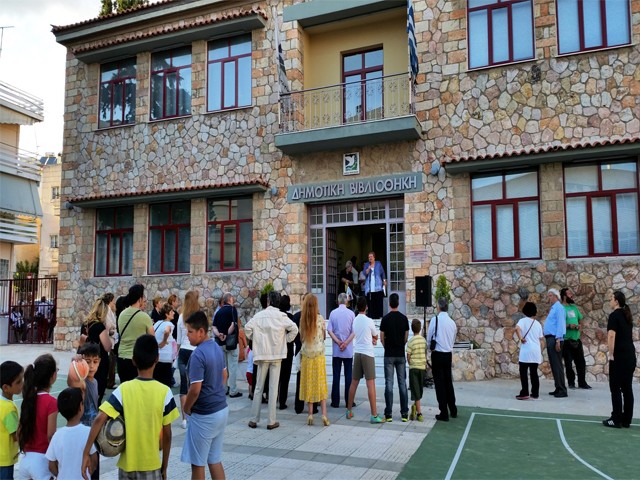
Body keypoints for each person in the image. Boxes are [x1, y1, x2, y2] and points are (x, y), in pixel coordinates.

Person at [81, 335, 180, 480]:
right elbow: (167, 435)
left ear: (133, 360)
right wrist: (164, 466)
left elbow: (99, 418)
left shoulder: (123, 389)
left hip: (126, 467)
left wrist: (86, 453)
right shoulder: (165, 392)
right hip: (151, 466)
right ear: (157, 359)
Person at [181, 310, 229, 479]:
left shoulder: (198, 354)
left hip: (205, 415)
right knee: (214, 459)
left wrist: (186, 408)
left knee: (198, 463)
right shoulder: (216, 347)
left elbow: (195, 389)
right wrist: (216, 391)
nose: (187, 335)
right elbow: (224, 375)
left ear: (201, 332)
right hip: (221, 409)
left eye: (190, 331)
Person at [244, 292, 298, 430]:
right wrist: (285, 340)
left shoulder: (259, 315)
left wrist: (256, 340)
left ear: (269, 301)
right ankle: (271, 420)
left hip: (262, 354)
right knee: (273, 388)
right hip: (277, 354)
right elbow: (294, 329)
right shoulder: (281, 316)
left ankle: (253, 419)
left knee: (258, 387)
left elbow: (247, 328)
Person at [17, 354, 58, 480]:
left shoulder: (28, 400)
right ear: (52, 376)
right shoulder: (51, 402)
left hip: (25, 461)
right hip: (42, 461)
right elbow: (51, 435)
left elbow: (19, 431)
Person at [46, 387, 97, 480]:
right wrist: (88, 473)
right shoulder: (88, 432)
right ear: (80, 407)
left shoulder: (57, 435)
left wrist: (61, 475)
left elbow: (51, 465)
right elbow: (94, 460)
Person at [346, 296, 383, 424]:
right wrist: (374, 339)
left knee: (354, 383)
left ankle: (349, 410)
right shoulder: (369, 321)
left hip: (357, 352)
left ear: (357, 307)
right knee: (370, 384)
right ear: (366, 307)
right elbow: (375, 335)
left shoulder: (355, 320)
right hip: (367, 353)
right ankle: (374, 414)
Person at [603, 291, 636, 429]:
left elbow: (611, 336)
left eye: (611, 298)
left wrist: (611, 354)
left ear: (616, 301)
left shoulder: (614, 316)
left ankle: (616, 419)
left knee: (615, 387)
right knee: (627, 388)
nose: (610, 301)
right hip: (630, 356)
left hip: (619, 357)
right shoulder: (627, 316)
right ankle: (626, 420)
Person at [299, 294, 330, 427]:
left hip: (307, 355)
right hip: (319, 355)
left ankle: (310, 414)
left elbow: (301, 337)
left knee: (309, 383)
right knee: (321, 383)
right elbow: (324, 336)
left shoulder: (303, 320)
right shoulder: (320, 319)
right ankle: (324, 414)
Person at [379, 293, 410, 422]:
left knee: (389, 383)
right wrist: (401, 345)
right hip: (400, 354)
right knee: (402, 384)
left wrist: (386, 347)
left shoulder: (385, 319)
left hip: (389, 354)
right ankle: (404, 413)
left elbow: (381, 337)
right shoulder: (404, 319)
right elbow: (406, 337)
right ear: (398, 303)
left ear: (389, 303)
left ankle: (389, 413)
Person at [116, 284, 154, 384]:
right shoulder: (144, 317)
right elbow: (152, 339)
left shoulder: (122, 314)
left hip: (122, 357)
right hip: (137, 359)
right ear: (140, 299)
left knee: (125, 389)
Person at [428, 297, 458, 421]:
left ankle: (443, 412)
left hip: (437, 354)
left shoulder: (435, 320)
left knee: (440, 384)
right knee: (448, 382)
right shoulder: (452, 323)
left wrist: (429, 349)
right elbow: (453, 339)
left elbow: (429, 338)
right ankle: (453, 409)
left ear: (439, 307)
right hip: (448, 354)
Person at [327, 293, 355, 409]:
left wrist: (338, 342)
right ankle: (349, 401)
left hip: (337, 349)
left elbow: (329, 330)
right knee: (348, 376)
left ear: (338, 301)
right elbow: (354, 332)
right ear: (347, 301)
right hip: (348, 350)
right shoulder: (351, 314)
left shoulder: (333, 313)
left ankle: (335, 401)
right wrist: (346, 343)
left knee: (336, 375)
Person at [212, 292, 242, 398]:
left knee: (223, 367)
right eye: (232, 298)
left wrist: (219, 335)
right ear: (229, 299)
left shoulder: (218, 312)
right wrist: (226, 334)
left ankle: (224, 389)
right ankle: (233, 390)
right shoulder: (233, 310)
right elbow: (233, 325)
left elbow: (214, 327)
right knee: (232, 367)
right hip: (231, 343)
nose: (233, 300)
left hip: (220, 343)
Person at [561, 288, 591, 390]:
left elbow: (580, 319)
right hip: (566, 340)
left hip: (576, 340)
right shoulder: (561, 309)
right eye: (569, 293)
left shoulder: (574, 307)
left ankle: (582, 382)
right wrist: (569, 326)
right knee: (568, 364)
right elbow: (559, 324)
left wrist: (580, 329)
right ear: (564, 296)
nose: (572, 295)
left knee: (581, 362)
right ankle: (571, 382)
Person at [82, 298, 112, 401]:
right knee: (97, 393)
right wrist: (107, 331)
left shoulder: (85, 324)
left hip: (86, 361)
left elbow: (81, 343)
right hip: (98, 363)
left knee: (86, 393)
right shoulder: (99, 326)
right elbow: (107, 347)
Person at [177, 290, 199, 429]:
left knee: (183, 386)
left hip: (183, 351)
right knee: (195, 384)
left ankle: (184, 418)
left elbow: (179, 340)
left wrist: (177, 353)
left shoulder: (181, 317)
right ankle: (194, 414)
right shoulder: (198, 317)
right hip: (195, 351)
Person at [515, 302, 544, 400]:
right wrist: (540, 350)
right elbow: (541, 339)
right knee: (534, 372)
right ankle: (535, 393)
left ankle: (524, 392)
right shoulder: (538, 324)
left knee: (523, 372)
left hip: (526, 351)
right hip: (535, 351)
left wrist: (521, 338)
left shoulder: (522, 321)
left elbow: (517, 329)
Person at [0, 361, 24, 480]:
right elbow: (16, 435)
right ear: (6, 387)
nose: (22, 384)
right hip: (5, 459)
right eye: (18, 382)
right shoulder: (9, 408)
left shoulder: (2, 403)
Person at [544, 288, 567, 398]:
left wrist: (558, 339)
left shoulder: (559, 308)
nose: (549, 298)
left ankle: (562, 389)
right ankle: (558, 387)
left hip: (555, 339)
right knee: (554, 365)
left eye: (550, 295)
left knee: (557, 364)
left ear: (556, 296)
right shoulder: (554, 308)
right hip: (551, 338)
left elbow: (561, 324)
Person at [406, 320, 426, 422]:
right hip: (422, 367)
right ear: (420, 328)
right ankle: (419, 412)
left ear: (412, 329)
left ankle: (415, 408)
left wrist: (410, 362)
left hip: (414, 368)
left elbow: (408, 355)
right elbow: (425, 351)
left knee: (415, 389)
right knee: (419, 389)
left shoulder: (410, 341)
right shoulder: (423, 340)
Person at [277, 295, 295, 410]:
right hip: (287, 350)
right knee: (285, 377)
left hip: (276, 349)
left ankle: (274, 397)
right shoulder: (290, 317)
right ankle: (282, 401)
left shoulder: (276, 317)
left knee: (276, 376)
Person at [153, 303, 176, 388]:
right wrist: (164, 341)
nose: (173, 313)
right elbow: (167, 331)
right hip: (166, 357)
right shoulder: (169, 324)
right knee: (166, 385)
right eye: (171, 311)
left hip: (157, 356)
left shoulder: (158, 323)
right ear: (167, 314)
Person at [361, 251, 387, 319]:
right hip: (369, 288)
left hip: (378, 287)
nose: (370, 258)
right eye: (369, 257)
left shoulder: (378, 264)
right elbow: (365, 273)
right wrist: (368, 268)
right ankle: (371, 317)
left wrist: (384, 280)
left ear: (374, 257)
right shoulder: (366, 264)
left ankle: (379, 317)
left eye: (371, 256)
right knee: (370, 304)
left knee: (378, 303)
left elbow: (382, 273)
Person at [102, 293, 118, 389]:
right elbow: (108, 325)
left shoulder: (108, 311)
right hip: (109, 340)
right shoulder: (107, 311)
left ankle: (110, 381)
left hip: (111, 339)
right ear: (110, 301)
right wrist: (113, 331)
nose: (114, 302)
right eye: (113, 300)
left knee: (111, 362)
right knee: (111, 362)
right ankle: (110, 382)